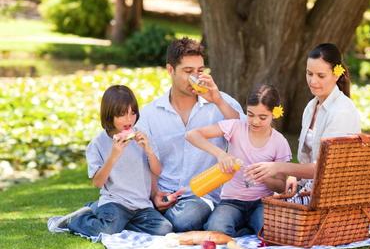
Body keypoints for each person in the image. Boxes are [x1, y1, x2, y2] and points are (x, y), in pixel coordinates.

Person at [135, 37, 244, 232]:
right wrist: (153, 194)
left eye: (200, 71)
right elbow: (143, 160)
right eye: (188, 71)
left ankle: (157, 221)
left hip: (202, 194)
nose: (196, 77)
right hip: (166, 192)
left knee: (185, 220)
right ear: (170, 70)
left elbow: (247, 132)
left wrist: (218, 100)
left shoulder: (220, 102)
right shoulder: (150, 114)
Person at [246, 43, 361, 204]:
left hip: (334, 195)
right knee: (262, 210)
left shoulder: (342, 112)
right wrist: (295, 176)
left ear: (336, 74)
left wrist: (278, 167)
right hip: (311, 187)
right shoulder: (311, 107)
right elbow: (307, 162)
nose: (313, 81)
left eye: (320, 76)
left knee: (272, 218)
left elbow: (324, 168)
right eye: (309, 73)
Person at [58, 85, 173, 236]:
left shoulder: (143, 137)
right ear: (109, 115)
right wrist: (114, 155)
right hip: (115, 202)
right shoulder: (98, 143)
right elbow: (97, 183)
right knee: (106, 230)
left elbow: (157, 171)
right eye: (122, 115)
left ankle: (105, 215)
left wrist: (148, 150)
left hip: (142, 205)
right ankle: (77, 219)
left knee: (164, 229)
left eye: (132, 113)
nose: (129, 120)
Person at [185, 84, 292, 237]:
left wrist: (265, 177)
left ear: (274, 114)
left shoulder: (279, 142)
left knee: (271, 232)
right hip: (231, 201)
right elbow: (191, 135)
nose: (255, 121)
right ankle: (244, 227)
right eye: (250, 114)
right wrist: (221, 154)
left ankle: (246, 228)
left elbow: (281, 187)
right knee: (217, 229)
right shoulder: (236, 127)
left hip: (261, 202)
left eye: (262, 117)